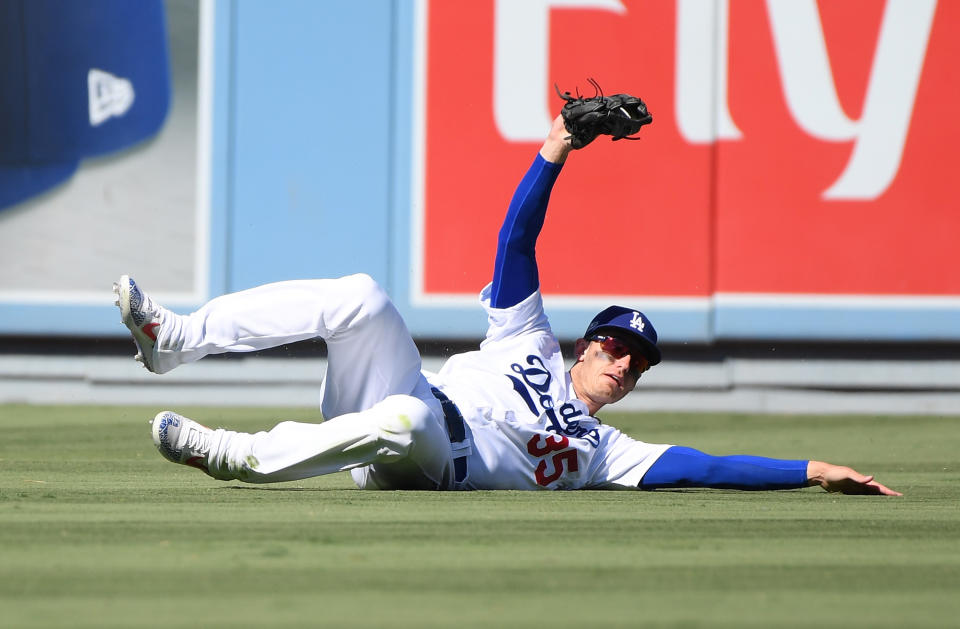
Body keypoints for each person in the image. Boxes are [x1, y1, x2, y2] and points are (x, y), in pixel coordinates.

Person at [114, 113, 900, 496]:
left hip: (424, 459)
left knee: (412, 422)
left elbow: (706, 465)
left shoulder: (602, 449)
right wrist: (555, 146)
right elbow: (515, 241)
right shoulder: (528, 339)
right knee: (360, 295)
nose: (625, 364)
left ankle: (231, 453)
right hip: (401, 401)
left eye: (639, 362)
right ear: (586, 344)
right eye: (617, 346)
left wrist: (813, 468)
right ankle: (175, 338)